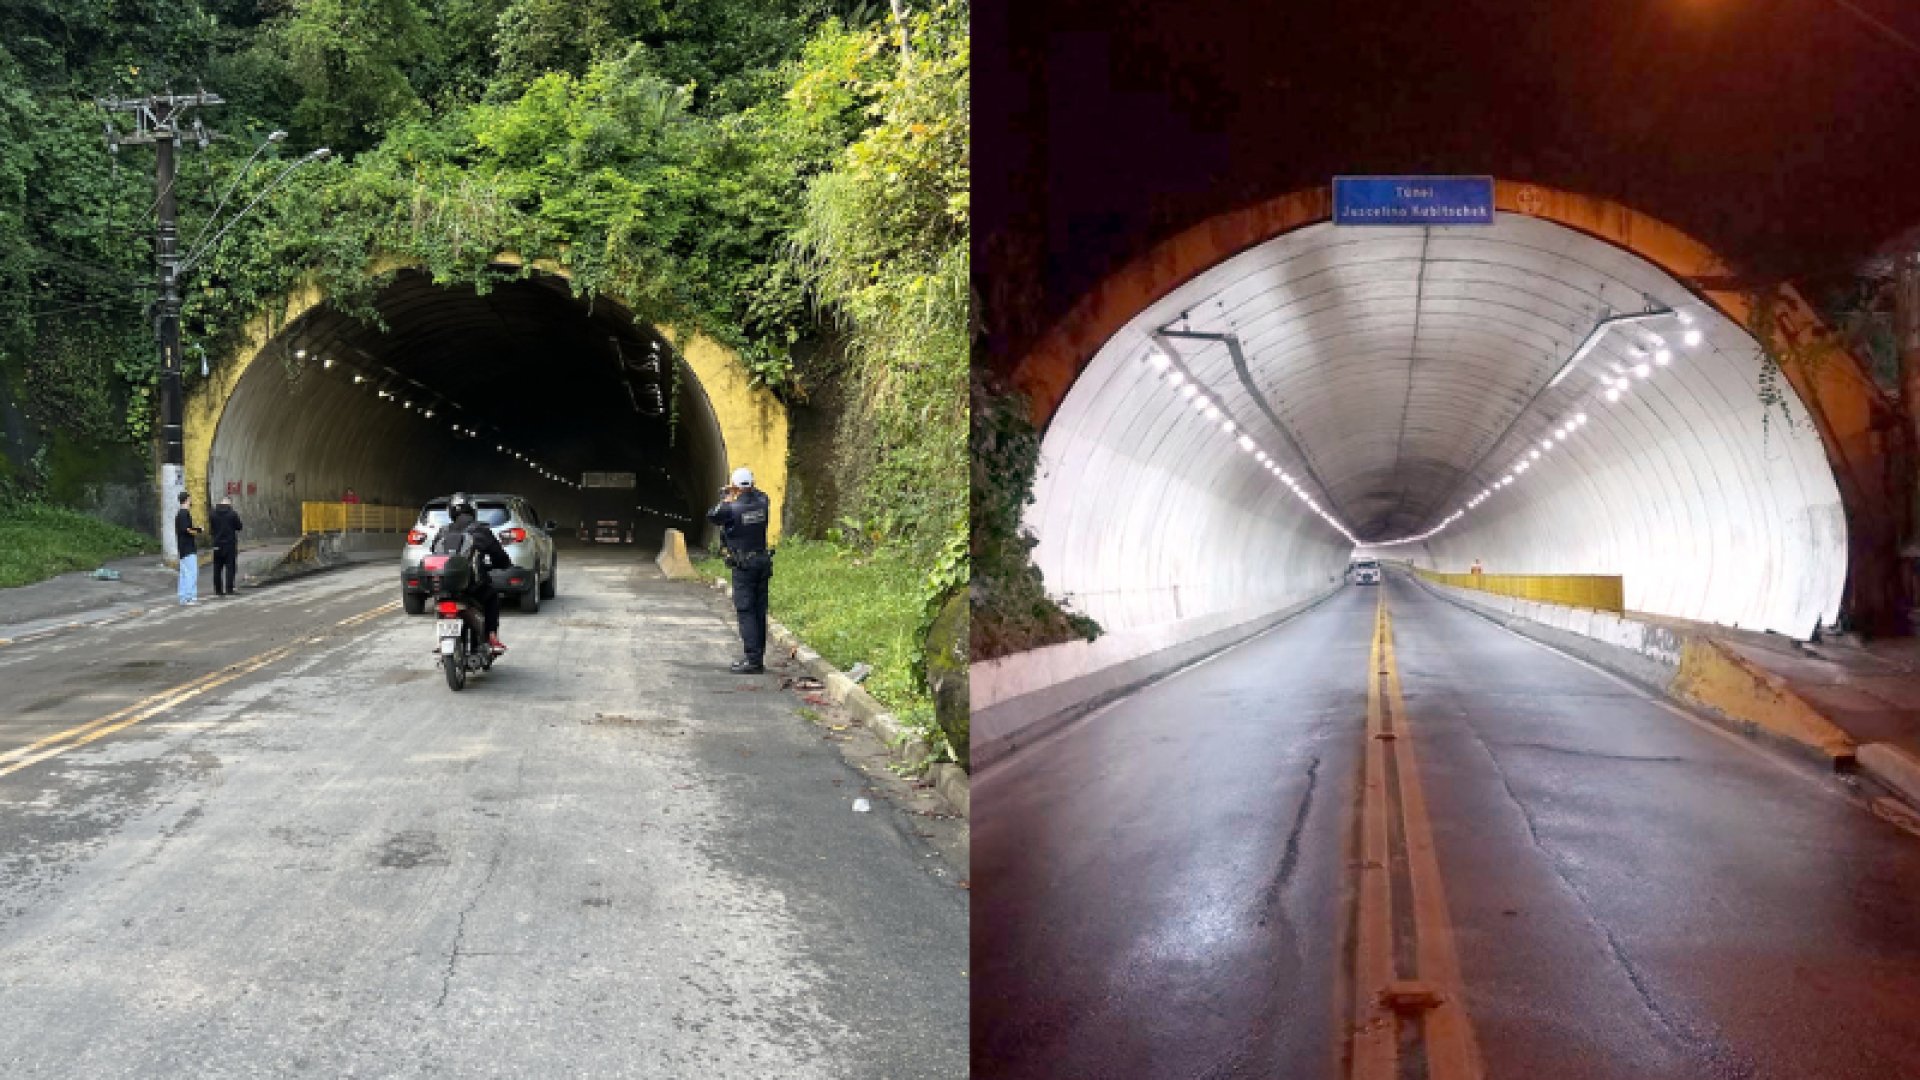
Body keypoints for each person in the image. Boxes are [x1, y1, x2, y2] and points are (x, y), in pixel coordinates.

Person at [707, 467, 774, 674]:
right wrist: (743, 488)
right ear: (752, 484)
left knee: (746, 610)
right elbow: (761, 494)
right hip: (762, 562)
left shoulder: (731, 509)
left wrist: (727, 497)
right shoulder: (763, 503)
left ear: (735, 486)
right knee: (759, 610)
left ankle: (752, 661)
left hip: (744, 565)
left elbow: (713, 515)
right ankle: (758, 656)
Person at [444, 492, 510, 653]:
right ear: (473, 510)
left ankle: (441, 641)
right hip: (473, 587)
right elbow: (499, 556)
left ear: (450, 512)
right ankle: (492, 637)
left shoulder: (443, 532)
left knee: (442, 603)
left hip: (446, 586)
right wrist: (503, 564)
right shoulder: (480, 530)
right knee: (492, 597)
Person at [174, 491, 203, 606]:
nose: (191, 501)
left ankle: (183, 597)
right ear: (186, 500)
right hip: (188, 547)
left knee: (184, 574)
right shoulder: (184, 514)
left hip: (182, 547)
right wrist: (199, 530)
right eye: (190, 499)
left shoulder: (178, 514)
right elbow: (188, 530)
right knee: (192, 573)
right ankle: (190, 597)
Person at [209, 496, 243, 597]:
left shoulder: (212, 514)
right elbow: (239, 526)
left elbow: (211, 529)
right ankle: (229, 588)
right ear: (229, 503)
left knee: (217, 568)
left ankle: (218, 590)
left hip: (217, 544)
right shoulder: (232, 514)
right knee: (230, 567)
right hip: (229, 544)